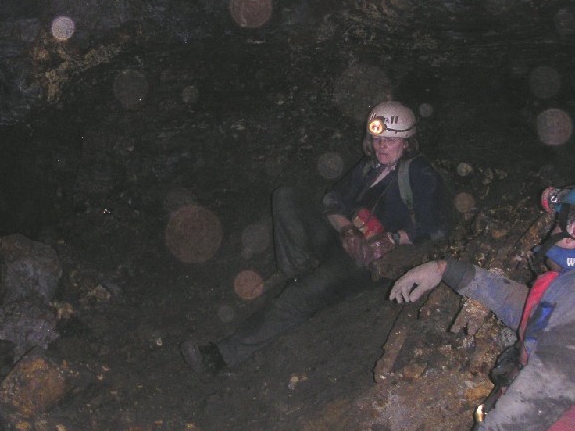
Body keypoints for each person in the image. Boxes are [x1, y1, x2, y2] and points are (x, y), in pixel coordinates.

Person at [180, 101, 451, 374]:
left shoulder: (419, 172)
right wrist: (346, 229)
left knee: (300, 295)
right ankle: (299, 268)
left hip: (369, 261)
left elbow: (436, 226)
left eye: (390, 140)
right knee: (285, 196)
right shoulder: (371, 166)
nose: (381, 146)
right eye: (377, 139)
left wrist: (392, 239)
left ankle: (220, 357)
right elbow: (333, 200)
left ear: (406, 142)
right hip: (345, 242)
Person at [388, 185, 575, 431]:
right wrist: (444, 269)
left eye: (557, 223)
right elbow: (526, 310)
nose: (550, 234)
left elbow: (547, 387)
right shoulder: (565, 288)